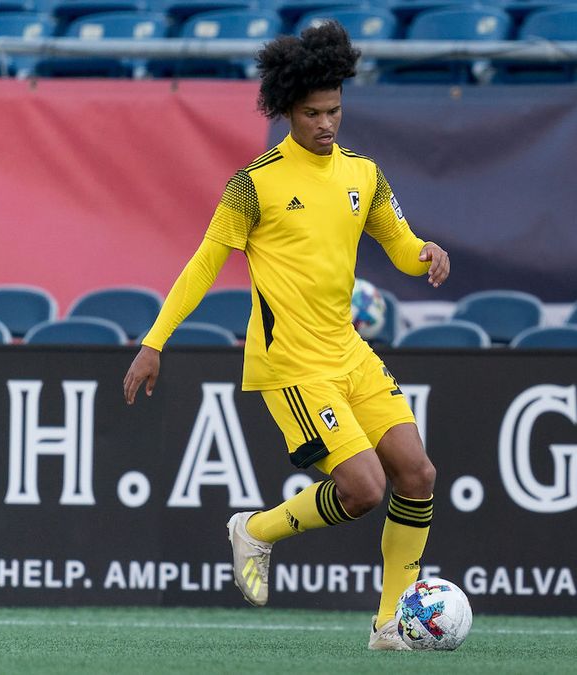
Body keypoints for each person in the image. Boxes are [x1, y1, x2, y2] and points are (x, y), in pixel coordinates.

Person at [122, 21, 449, 651]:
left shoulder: (365, 175)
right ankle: (258, 530)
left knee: (417, 474)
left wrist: (427, 254)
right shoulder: (254, 184)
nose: (327, 124)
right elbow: (202, 266)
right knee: (364, 489)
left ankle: (388, 627)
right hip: (292, 365)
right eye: (312, 113)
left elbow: (401, 247)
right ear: (286, 111)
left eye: (335, 111)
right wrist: (155, 341)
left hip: (349, 351)